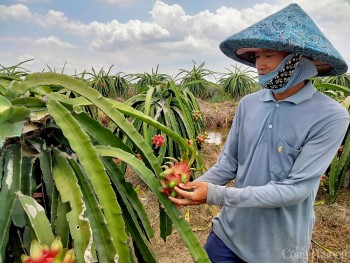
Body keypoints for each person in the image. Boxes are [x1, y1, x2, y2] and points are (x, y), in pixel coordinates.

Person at [169, 3, 349, 263]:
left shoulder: (330, 116)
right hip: (227, 236)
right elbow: (229, 163)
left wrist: (214, 194)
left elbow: (295, 190)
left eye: (268, 55)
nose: (260, 65)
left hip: (278, 248)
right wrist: (190, 188)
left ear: (296, 58)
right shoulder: (248, 104)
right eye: (256, 57)